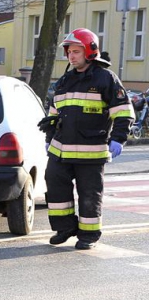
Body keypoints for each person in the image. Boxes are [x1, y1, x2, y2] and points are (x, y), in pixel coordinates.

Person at [38, 28, 133, 250]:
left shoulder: (105, 78)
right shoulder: (65, 80)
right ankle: (65, 228)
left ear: (90, 51)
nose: (71, 56)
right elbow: (54, 113)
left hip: (91, 152)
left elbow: (123, 111)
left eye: (76, 52)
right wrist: (49, 137)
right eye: (69, 52)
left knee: (89, 194)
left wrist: (118, 138)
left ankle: (88, 235)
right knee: (55, 186)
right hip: (60, 151)